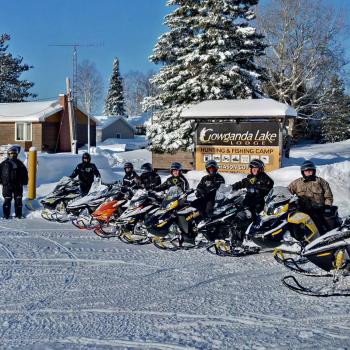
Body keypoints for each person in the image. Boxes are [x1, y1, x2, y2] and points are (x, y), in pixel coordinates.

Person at [231, 159, 274, 244]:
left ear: (261, 169)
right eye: (252, 168)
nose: (254, 170)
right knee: (236, 216)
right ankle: (234, 237)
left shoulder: (266, 179)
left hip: (258, 204)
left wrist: (257, 190)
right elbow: (241, 183)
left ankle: (248, 239)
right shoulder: (250, 178)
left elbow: (267, 190)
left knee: (248, 219)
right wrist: (231, 187)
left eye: (256, 168)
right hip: (247, 202)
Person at [288, 160, 334, 234]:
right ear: (303, 172)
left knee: (318, 223)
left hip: (318, 208)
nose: (308, 173)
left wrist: (327, 206)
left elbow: (328, 196)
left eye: (310, 171)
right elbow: (286, 191)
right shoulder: (297, 183)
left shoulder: (321, 182)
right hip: (302, 208)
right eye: (306, 171)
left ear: (314, 171)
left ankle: (320, 237)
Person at [0, 146, 28, 219]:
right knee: (7, 200)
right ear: (8, 154)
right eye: (11, 154)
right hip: (7, 185)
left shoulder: (20, 164)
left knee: (18, 200)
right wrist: (2, 182)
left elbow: (25, 173)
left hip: (18, 185)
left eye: (14, 154)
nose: (13, 155)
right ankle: (6, 215)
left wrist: (24, 181)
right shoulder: (3, 164)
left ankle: (18, 215)